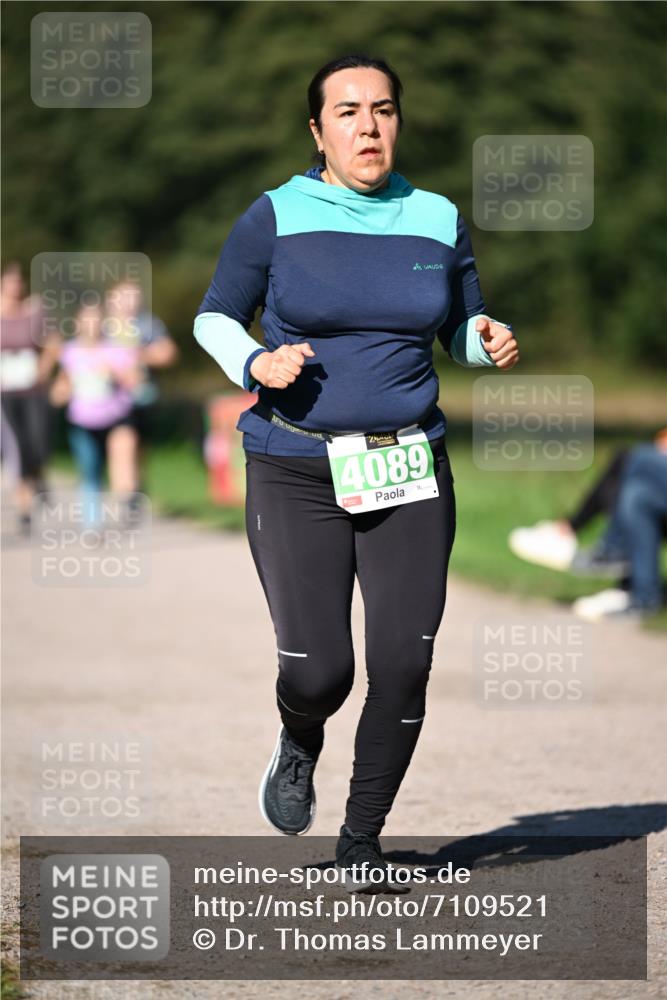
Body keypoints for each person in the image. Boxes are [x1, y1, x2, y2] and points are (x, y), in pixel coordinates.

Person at [194, 54, 519, 891]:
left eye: (382, 109)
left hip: (407, 463)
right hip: (295, 465)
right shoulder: (275, 215)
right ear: (318, 130)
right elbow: (215, 316)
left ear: (398, 122)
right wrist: (255, 362)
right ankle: (299, 736)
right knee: (319, 673)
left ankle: (360, 839)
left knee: (404, 663)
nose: (367, 126)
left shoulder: (436, 216)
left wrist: (482, 339)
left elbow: (457, 322)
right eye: (346, 112)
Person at [49, 301, 142, 527]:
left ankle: (127, 499)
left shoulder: (117, 349)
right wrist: (63, 390)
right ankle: (92, 524)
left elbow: (136, 381)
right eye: (87, 320)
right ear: (77, 323)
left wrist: (114, 373)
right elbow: (58, 392)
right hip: (83, 421)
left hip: (116, 417)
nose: (92, 324)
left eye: (97, 319)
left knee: (123, 459)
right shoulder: (69, 352)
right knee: (90, 471)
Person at [103, 279, 179, 511]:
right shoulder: (101, 327)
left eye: (134, 297)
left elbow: (168, 353)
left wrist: (139, 355)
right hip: (109, 399)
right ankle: (125, 496)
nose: (130, 302)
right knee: (122, 441)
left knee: (137, 448)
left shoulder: (148, 324)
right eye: (124, 296)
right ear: (110, 299)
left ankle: (134, 489)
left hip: (143, 398)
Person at [0, 262, 60, 534]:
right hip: (6, 392)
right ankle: (24, 510)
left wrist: (43, 368)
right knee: (17, 447)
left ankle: (40, 477)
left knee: (38, 441)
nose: (15, 287)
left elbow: (54, 342)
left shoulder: (35, 311)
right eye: (10, 282)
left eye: (18, 281)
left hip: (33, 389)